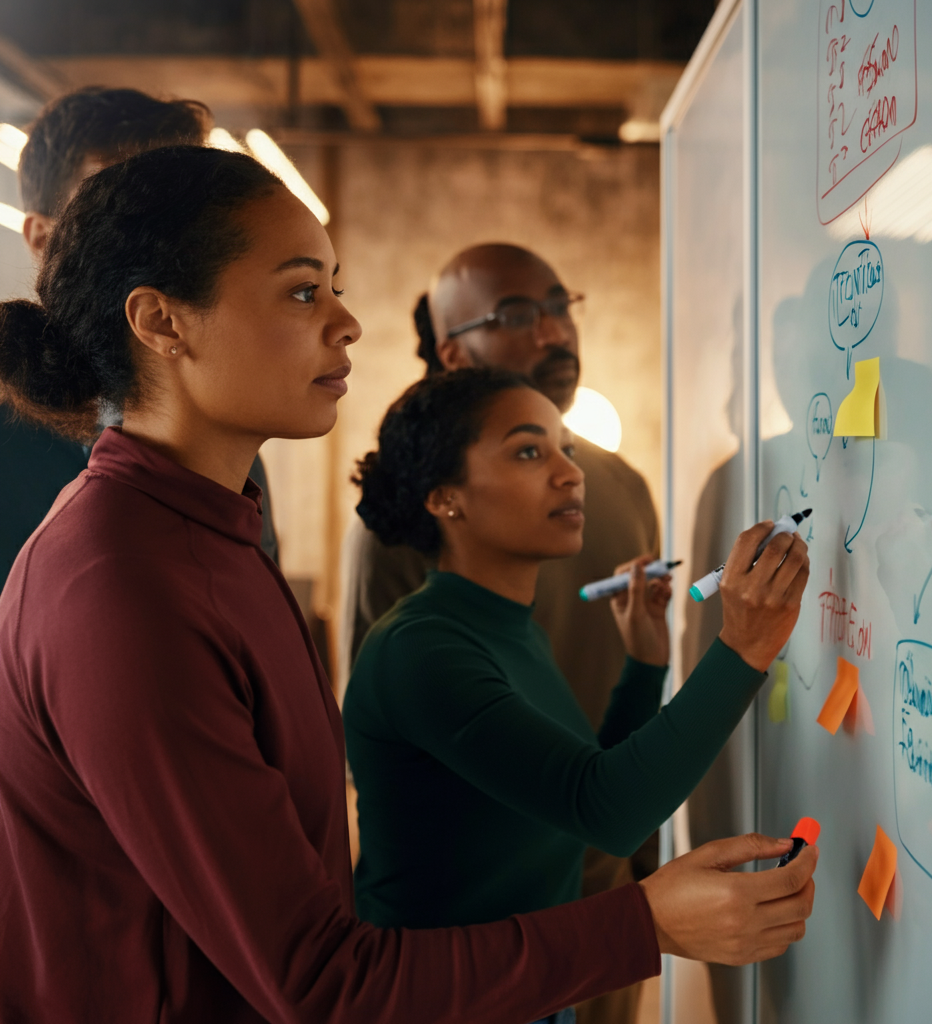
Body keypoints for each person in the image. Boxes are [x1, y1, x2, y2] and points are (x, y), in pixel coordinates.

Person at [0, 145, 817, 1023]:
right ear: (163, 322)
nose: (348, 324)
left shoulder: (213, 533)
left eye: (335, 286)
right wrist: (643, 923)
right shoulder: (123, 586)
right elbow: (319, 984)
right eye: (304, 290)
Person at [343, 369, 812, 1024]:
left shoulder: (505, 628)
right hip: (440, 1000)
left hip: (527, 994)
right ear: (446, 497)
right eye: (530, 451)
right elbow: (608, 809)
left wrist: (645, 664)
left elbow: (581, 798)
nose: (571, 472)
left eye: (566, 447)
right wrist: (743, 649)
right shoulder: (421, 650)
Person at [339, 242, 660, 1023]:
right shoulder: (407, 526)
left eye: (560, 307)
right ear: (453, 352)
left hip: (610, 891)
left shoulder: (616, 486)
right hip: (479, 930)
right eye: (518, 316)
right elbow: (387, 733)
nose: (554, 333)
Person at [0, 86, 278, 588]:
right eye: (124, 219)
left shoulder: (220, 426)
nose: (167, 247)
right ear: (44, 241)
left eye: (184, 219)